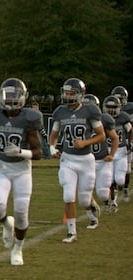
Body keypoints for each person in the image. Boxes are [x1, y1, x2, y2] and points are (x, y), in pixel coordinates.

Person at [0, 78, 42, 266]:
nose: (10, 100)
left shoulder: (30, 117)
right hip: (1, 168)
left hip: (21, 171)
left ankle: (17, 249)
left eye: (14, 96)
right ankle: (6, 225)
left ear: (23, 97)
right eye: (7, 96)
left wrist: (21, 152)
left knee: (21, 212)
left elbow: (38, 153)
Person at [47, 78, 106, 243]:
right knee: (68, 195)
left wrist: (85, 142)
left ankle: (91, 207)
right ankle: (71, 232)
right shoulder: (60, 112)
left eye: (71, 93)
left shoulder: (90, 111)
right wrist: (52, 148)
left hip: (86, 160)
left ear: (80, 95)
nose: (67, 95)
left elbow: (102, 136)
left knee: (84, 199)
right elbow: (53, 136)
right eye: (65, 92)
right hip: (68, 159)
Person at [83, 94, 118, 228]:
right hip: (87, 161)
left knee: (103, 193)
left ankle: (109, 200)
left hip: (103, 161)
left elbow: (115, 138)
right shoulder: (79, 120)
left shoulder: (104, 120)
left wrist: (112, 154)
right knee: (84, 191)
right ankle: (92, 214)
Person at [101, 95, 130, 212]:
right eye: (108, 107)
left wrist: (130, 142)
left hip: (121, 150)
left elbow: (130, 130)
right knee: (110, 179)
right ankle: (113, 201)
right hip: (108, 150)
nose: (111, 110)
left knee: (120, 180)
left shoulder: (123, 117)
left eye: (113, 107)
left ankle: (120, 189)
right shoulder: (102, 118)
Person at [110, 86, 133, 202]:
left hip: (125, 144)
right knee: (112, 172)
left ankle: (125, 188)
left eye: (121, 98)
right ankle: (114, 192)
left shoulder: (127, 112)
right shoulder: (107, 113)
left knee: (127, 170)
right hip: (112, 146)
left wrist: (130, 142)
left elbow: (130, 129)